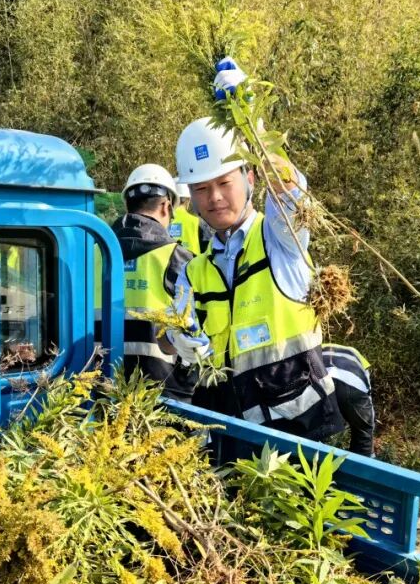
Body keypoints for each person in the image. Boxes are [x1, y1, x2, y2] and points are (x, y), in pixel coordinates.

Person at [167, 58, 343, 442]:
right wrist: (178, 339)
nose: (213, 198)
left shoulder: (278, 240)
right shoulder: (192, 271)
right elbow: (179, 341)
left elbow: (293, 197)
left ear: (249, 177)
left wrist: (254, 129)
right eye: (200, 189)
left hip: (298, 438)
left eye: (224, 183)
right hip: (229, 439)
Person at [110, 163, 196, 401]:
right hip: (165, 396)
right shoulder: (178, 258)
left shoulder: (95, 253)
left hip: (103, 392)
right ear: (166, 205)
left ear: (127, 205)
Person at [323, 343, 375, 456]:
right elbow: (367, 395)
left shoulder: (317, 347)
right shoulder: (358, 357)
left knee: (314, 429)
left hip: (322, 380)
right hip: (353, 383)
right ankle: (361, 467)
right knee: (363, 433)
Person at [169, 179, 210, 254]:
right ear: (188, 200)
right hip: (193, 264)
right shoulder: (197, 222)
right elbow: (208, 249)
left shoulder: (160, 221)